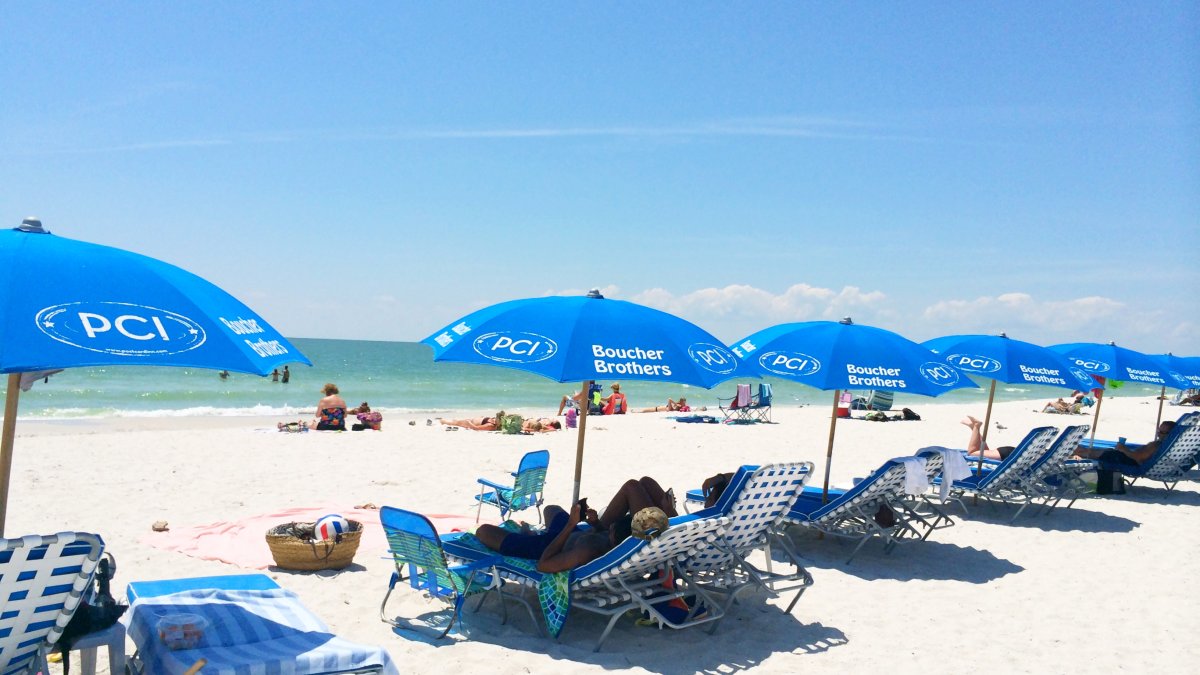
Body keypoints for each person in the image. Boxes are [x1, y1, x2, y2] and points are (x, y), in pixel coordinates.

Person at [473, 476, 677, 573]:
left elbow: (544, 565)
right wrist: (597, 524)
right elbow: (607, 534)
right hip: (574, 534)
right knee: (550, 509)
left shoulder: (585, 553)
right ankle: (670, 516)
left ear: (614, 536)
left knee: (483, 531)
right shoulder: (616, 544)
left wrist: (571, 525)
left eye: (611, 528)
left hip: (547, 546)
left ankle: (530, 536)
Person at [1074, 420, 1176, 466]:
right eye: (1159, 431)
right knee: (1106, 451)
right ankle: (1076, 452)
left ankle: (1075, 452)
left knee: (1103, 453)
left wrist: (1123, 449)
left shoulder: (1157, 445)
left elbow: (1138, 458)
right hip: (1128, 458)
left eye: (1162, 432)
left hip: (1129, 461)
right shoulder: (1168, 445)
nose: (1159, 434)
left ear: (1170, 434)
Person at [437, 412, 504, 431]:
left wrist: (469, 423)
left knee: (455, 423)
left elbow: (476, 428)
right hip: (471, 420)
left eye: (497, 418)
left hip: (470, 423)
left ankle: (443, 421)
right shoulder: (494, 420)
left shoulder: (490, 426)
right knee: (457, 421)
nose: (496, 418)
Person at [636, 397, 700, 413]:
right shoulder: (678, 405)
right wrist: (675, 404)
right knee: (644, 411)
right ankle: (635, 411)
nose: (685, 403)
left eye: (685, 402)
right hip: (659, 409)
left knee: (645, 411)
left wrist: (698, 409)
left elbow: (687, 409)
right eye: (683, 402)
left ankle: (635, 411)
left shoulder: (682, 406)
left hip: (661, 409)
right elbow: (669, 399)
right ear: (681, 402)